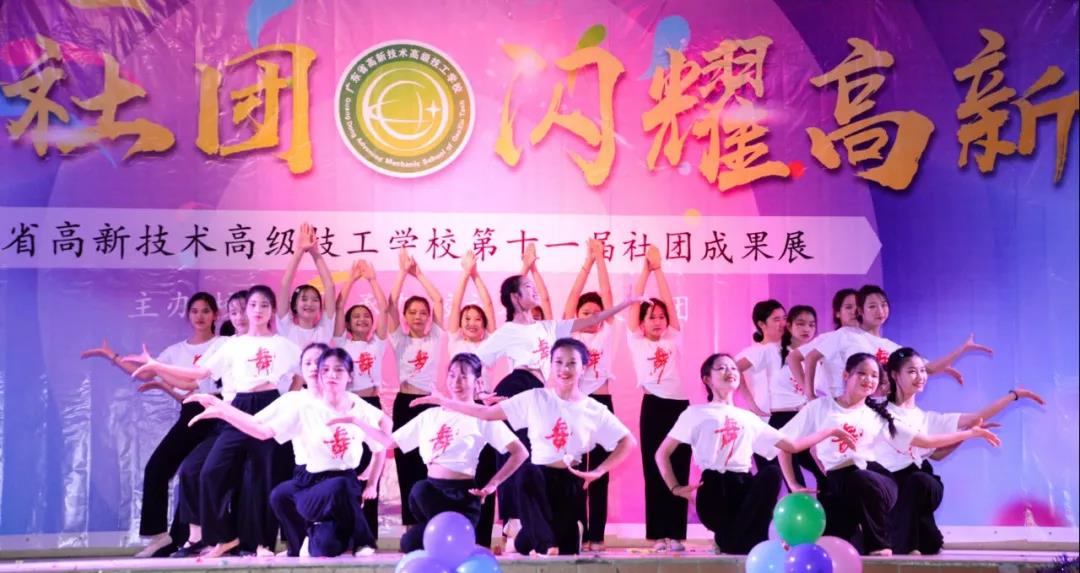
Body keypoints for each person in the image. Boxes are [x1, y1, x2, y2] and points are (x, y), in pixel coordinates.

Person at [412, 338, 637, 556]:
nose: (564, 369)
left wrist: (599, 470)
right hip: (537, 481)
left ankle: (543, 538)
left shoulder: (593, 409)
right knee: (527, 473)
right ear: (550, 365)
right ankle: (546, 545)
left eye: (571, 363)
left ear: (583, 368)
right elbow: (487, 413)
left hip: (570, 482)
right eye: (558, 362)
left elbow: (628, 441)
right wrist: (444, 401)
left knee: (529, 544)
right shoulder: (535, 397)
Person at [126, 285, 301, 557]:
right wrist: (158, 366)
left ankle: (262, 544)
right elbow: (198, 374)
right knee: (210, 471)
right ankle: (224, 536)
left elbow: (303, 373)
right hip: (238, 406)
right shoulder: (232, 345)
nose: (257, 310)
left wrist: (291, 401)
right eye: (253, 305)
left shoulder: (286, 346)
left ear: (272, 311)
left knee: (263, 477)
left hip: (271, 406)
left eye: (264, 305)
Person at [778, 352, 1001, 555]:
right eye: (862, 373)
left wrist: (970, 433)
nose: (869, 379)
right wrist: (793, 483)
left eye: (874, 375)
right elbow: (784, 443)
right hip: (838, 483)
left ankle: (880, 546)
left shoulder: (879, 416)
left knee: (859, 478)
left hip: (876, 481)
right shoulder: (820, 408)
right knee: (835, 546)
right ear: (846, 375)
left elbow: (927, 441)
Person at [186, 347, 388, 557]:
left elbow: (383, 431)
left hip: (340, 478)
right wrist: (222, 409)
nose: (316, 368)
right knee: (280, 495)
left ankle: (358, 540)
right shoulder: (298, 402)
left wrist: (372, 479)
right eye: (308, 363)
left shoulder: (351, 402)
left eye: (322, 363)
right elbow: (258, 426)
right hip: (306, 476)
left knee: (337, 494)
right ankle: (300, 545)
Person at [656, 353, 857, 554]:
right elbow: (662, 454)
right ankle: (738, 540)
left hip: (743, 489)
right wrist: (675, 487)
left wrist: (829, 431)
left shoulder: (749, 418)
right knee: (743, 541)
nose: (730, 371)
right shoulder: (694, 413)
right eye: (722, 368)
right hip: (713, 489)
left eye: (733, 368)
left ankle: (731, 540)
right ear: (707, 379)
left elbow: (792, 446)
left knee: (771, 473)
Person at [80, 292, 224, 557]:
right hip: (191, 412)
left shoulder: (224, 344)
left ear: (216, 314)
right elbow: (146, 371)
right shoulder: (176, 351)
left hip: (220, 413)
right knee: (157, 467)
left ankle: (195, 538)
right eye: (194, 311)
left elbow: (195, 382)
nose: (200, 316)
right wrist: (111, 356)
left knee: (195, 473)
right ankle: (160, 536)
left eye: (206, 310)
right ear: (188, 315)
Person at [877, 347, 1044, 555]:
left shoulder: (927, 419)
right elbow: (928, 445)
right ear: (894, 375)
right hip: (888, 484)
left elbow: (972, 421)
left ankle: (906, 545)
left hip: (918, 482)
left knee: (920, 481)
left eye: (923, 370)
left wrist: (1013, 395)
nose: (920, 377)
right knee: (930, 542)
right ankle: (910, 543)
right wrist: (969, 434)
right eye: (912, 371)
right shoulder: (879, 410)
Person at [390, 353, 528, 552]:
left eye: (463, 377)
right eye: (452, 375)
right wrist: (357, 420)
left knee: (422, 514)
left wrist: (492, 485)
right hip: (432, 494)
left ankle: (459, 539)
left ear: (477, 382)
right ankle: (455, 541)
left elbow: (520, 452)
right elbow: (388, 442)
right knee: (413, 525)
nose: (456, 382)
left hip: (463, 497)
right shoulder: (431, 415)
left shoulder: (483, 416)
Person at [627, 246, 689, 552]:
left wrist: (660, 270)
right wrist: (646, 270)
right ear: (642, 322)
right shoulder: (636, 340)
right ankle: (659, 535)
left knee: (678, 468)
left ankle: (676, 534)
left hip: (679, 408)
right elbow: (633, 304)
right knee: (654, 470)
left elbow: (670, 306)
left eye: (661, 317)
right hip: (653, 407)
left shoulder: (673, 337)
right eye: (651, 317)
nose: (658, 321)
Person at [562, 239, 621, 551]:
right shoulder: (571, 334)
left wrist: (600, 259)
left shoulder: (607, 332)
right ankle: (576, 532)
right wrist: (587, 263)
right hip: (574, 406)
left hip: (601, 405)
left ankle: (596, 535)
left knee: (599, 471)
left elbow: (608, 296)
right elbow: (572, 299)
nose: (592, 318)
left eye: (597, 314)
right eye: (586, 313)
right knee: (572, 469)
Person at [387, 249, 446, 527]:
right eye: (412, 312)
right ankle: (410, 525)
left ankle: (430, 522)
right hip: (405, 404)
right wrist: (402, 273)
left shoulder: (435, 336)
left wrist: (418, 274)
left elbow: (438, 300)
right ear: (405, 317)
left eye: (423, 313)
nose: (418, 316)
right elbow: (390, 304)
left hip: (430, 404)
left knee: (430, 463)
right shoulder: (399, 338)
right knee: (406, 463)